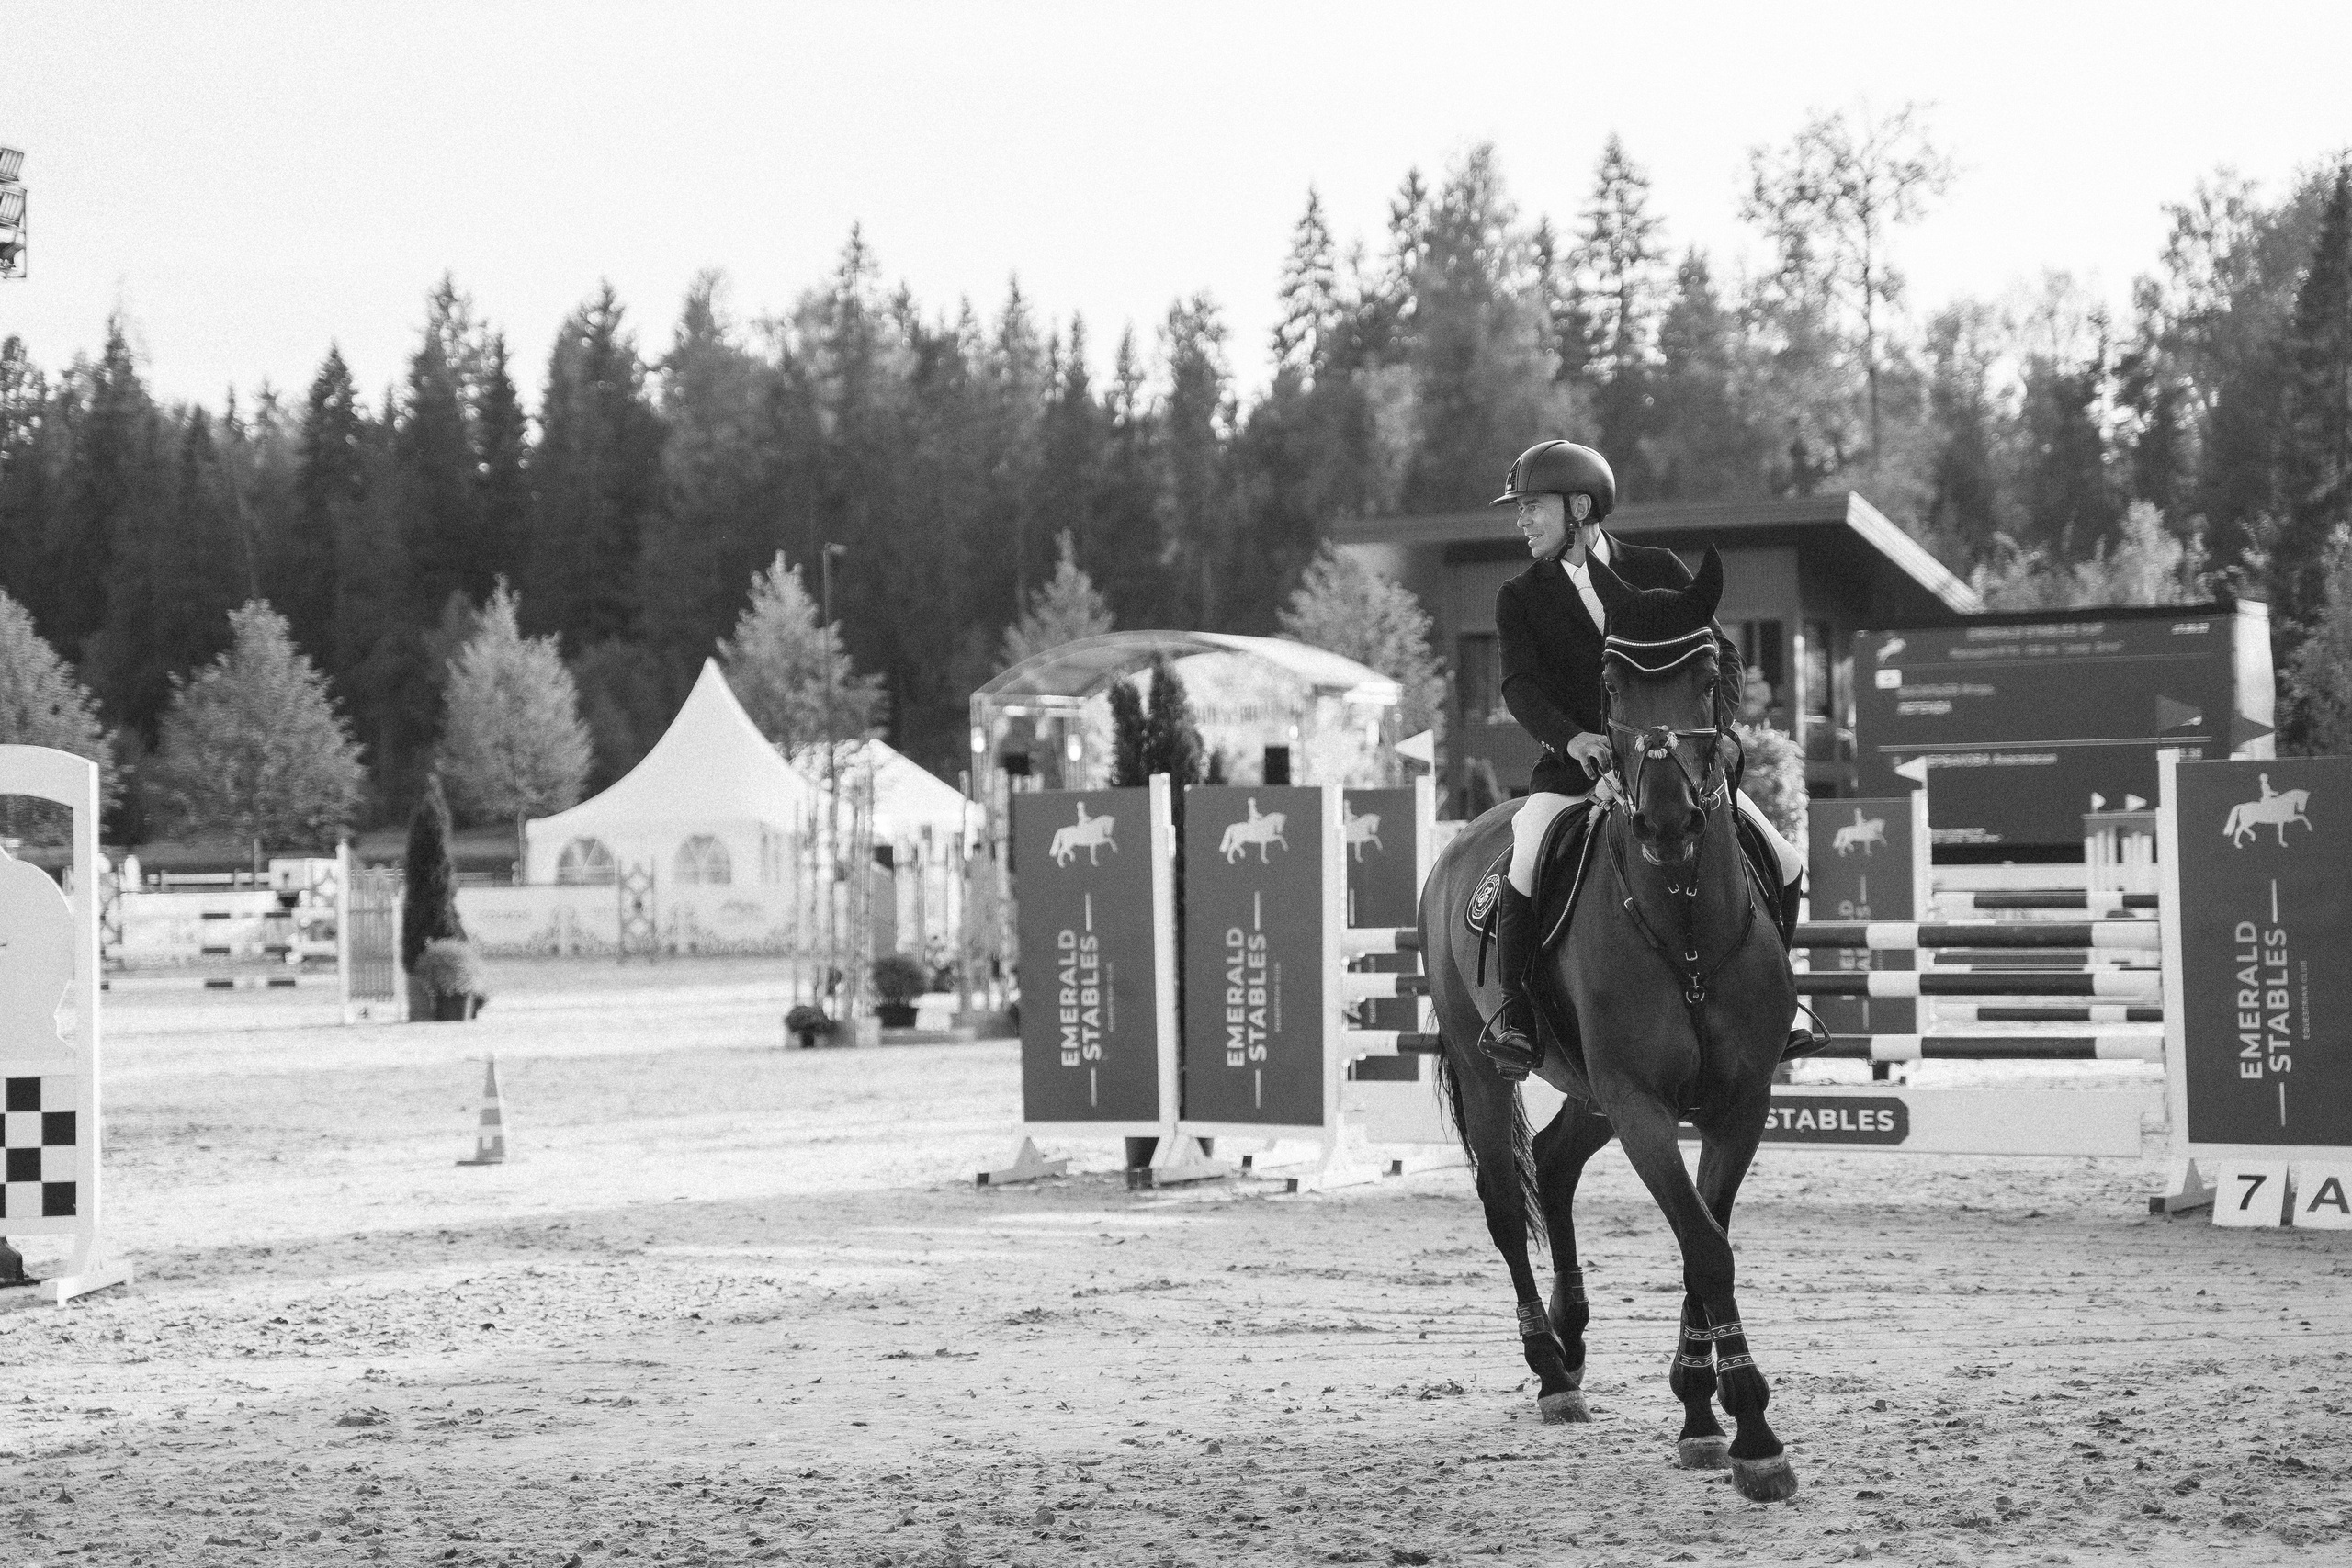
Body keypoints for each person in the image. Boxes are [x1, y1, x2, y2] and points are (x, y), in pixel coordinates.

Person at [1482, 439, 1807, 1076]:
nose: (1521, 520)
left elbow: (1724, 658)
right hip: (1579, 772)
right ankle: (1516, 1014)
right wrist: (1572, 738)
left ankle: (1781, 1002)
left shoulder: (1656, 567)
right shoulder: (1520, 596)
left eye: (1531, 507)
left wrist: (1715, 730)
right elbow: (1519, 686)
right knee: (1525, 855)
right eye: (1520, 509)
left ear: (1579, 506)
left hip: (1673, 773)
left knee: (1788, 860)